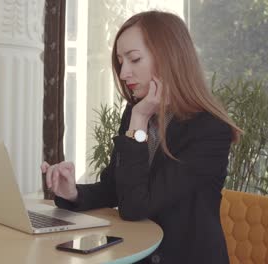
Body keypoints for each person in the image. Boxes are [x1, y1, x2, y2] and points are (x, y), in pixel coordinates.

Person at [41, 10, 242, 264]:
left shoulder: (208, 130)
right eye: (121, 61)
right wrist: (72, 193)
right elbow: (116, 187)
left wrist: (139, 121)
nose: (124, 73)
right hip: (139, 254)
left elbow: (135, 206)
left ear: (168, 58)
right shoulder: (138, 111)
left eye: (134, 59)